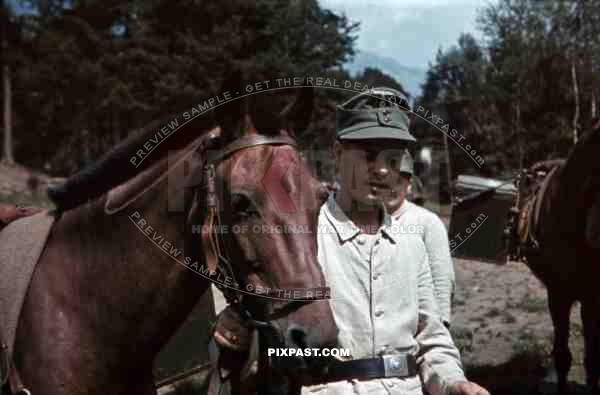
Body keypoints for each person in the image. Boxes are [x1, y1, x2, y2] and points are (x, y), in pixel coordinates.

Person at [212, 87, 489, 395]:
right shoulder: (304, 238)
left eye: (393, 158)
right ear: (338, 153)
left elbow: (432, 341)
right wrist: (241, 325)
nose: (383, 169)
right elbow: (273, 343)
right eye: (369, 155)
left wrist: (454, 382)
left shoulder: (411, 244)